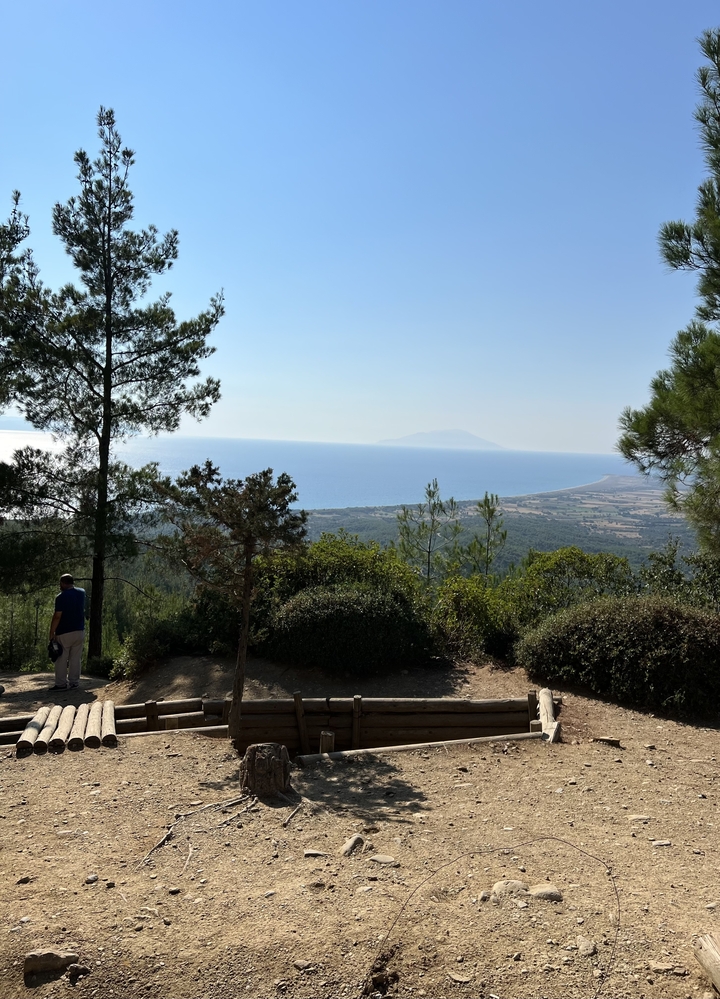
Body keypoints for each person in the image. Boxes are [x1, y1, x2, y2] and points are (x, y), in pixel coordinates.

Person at [49, 573, 86, 691]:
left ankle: (61, 684)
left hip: (64, 632)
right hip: (79, 630)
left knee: (61, 658)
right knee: (75, 658)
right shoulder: (82, 593)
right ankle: (74, 682)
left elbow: (57, 617)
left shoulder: (61, 597)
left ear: (63, 583)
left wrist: (52, 632)